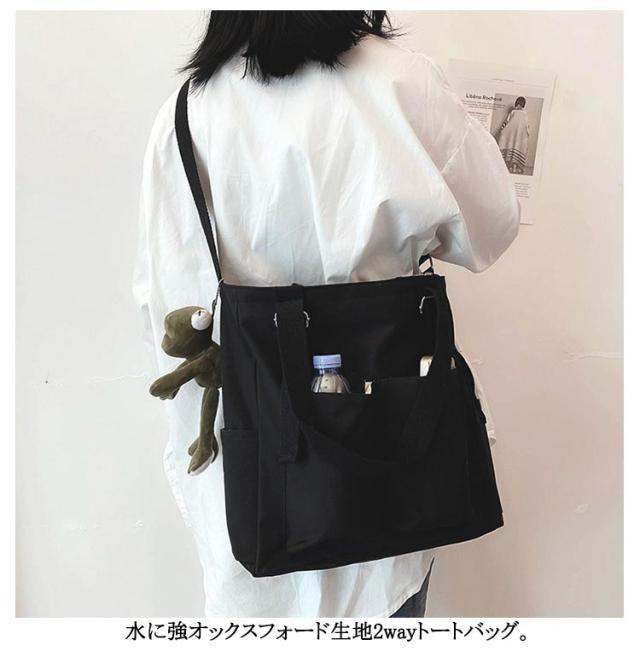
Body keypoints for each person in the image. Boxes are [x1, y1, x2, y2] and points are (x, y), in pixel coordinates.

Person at [133, 10, 520, 618]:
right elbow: (491, 230)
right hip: (393, 493)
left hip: (256, 500)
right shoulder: (403, 83)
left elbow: (165, 305)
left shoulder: (187, 114)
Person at [496, 96, 531, 174]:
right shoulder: (525, 114)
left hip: (512, 135)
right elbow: (527, 126)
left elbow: (506, 122)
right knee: (517, 148)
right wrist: (527, 134)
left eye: (517, 104)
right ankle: (514, 167)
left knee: (511, 147)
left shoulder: (513, 112)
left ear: (518, 104)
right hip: (519, 137)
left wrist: (502, 129)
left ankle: (511, 167)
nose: (517, 106)